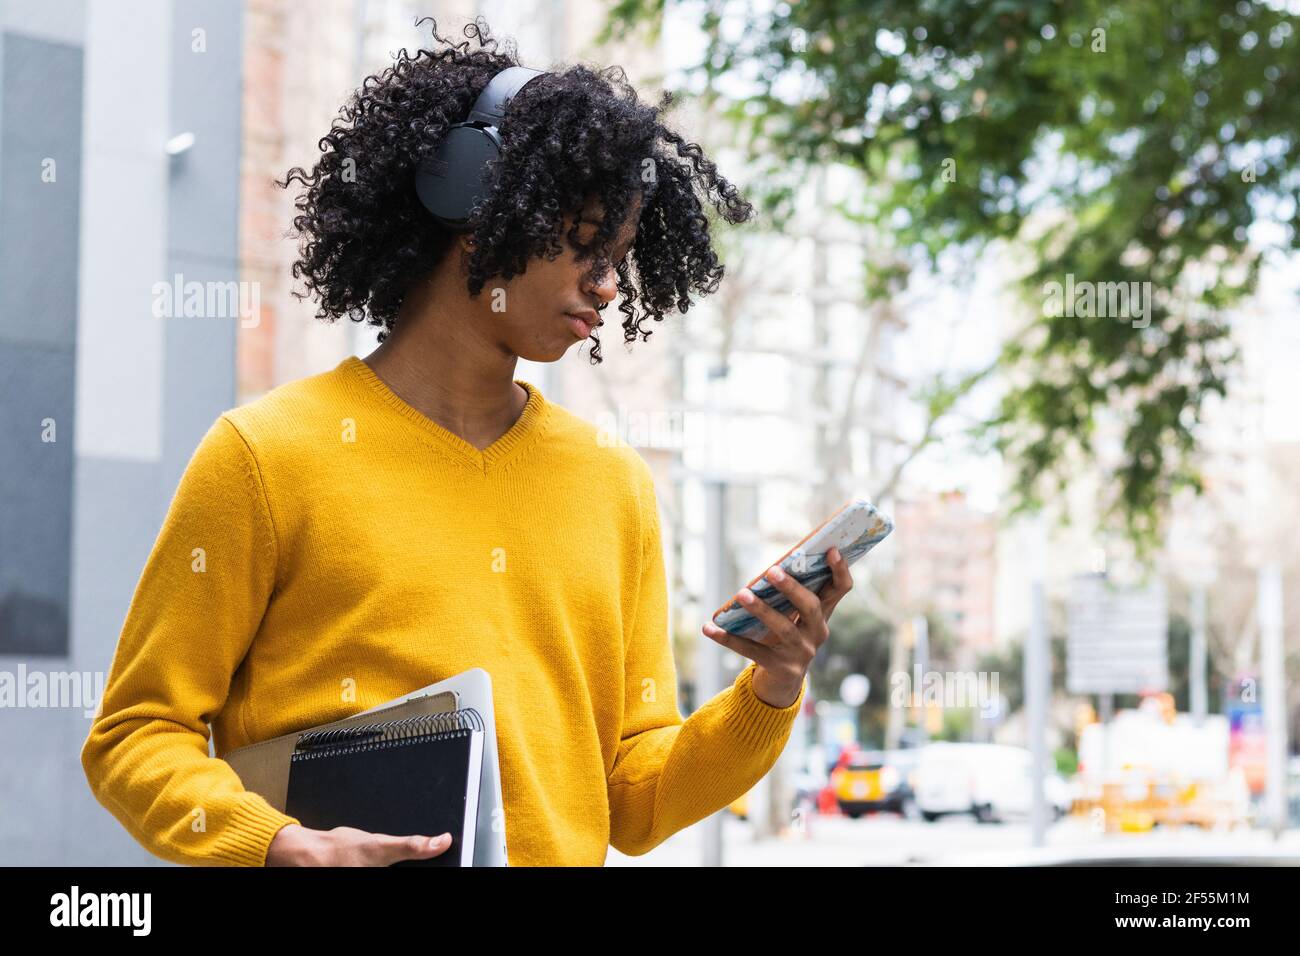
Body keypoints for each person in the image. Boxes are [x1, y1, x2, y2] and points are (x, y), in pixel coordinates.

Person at [80, 17, 855, 866]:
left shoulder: (613, 485)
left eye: (621, 258)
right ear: (473, 201)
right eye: (587, 244)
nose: (606, 286)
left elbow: (634, 803)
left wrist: (772, 686)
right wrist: (276, 845)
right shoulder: (265, 456)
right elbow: (134, 735)